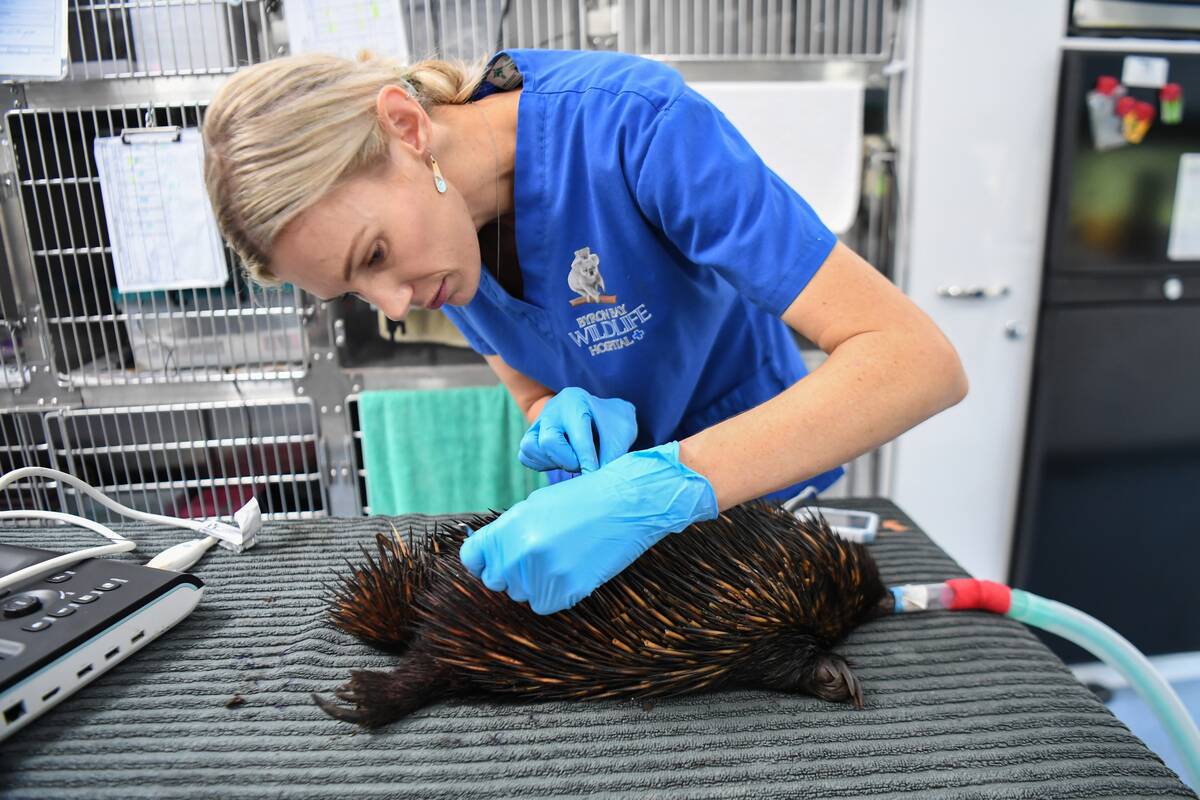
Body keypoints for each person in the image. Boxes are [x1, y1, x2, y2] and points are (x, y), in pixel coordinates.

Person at [203, 48, 967, 616]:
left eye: (372, 256)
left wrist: (664, 487)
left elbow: (915, 361)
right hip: (622, 544)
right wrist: (551, 417)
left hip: (759, 493)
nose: (394, 305)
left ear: (405, 127)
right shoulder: (441, 239)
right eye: (355, 291)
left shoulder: (636, 127)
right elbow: (533, 381)